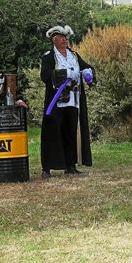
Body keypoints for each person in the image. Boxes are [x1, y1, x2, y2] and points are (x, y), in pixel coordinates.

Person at [40, 25, 94, 179]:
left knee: (71, 132)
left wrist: (88, 72)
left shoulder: (74, 55)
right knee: (52, 132)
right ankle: (47, 168)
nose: (65, 40)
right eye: (61, 37)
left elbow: (86, 67)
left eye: (66, 37)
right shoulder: (49, 57)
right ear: (54, 40)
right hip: (56, 102)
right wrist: (64, 73)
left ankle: (70, 166)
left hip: (73, 101)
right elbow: (45, 75)